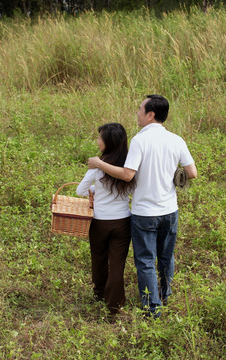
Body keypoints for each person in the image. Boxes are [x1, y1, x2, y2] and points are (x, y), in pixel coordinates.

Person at [88, 95, 197, 318]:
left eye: (140, 109)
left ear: (150, 114)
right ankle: (165, 294)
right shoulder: (177, 140)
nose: (136, 113)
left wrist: (100, 163)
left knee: (146, 260)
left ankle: (152, 308)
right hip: (169, 210)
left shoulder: (140, 141)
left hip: (144, 213)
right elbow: (192, 173)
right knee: (166, 257)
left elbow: (128, 175)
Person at [76, 123, 136, 315]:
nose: (97, 141)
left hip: (100, 222)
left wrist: (95, 190)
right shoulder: (129, 166)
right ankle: (114, 305)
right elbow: (133, 187)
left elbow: (80, 190)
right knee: (117, 264)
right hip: (123, 221)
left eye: (100, 138)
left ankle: (99, 294)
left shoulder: (97, 166)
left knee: (99, 259)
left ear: (109, 142)